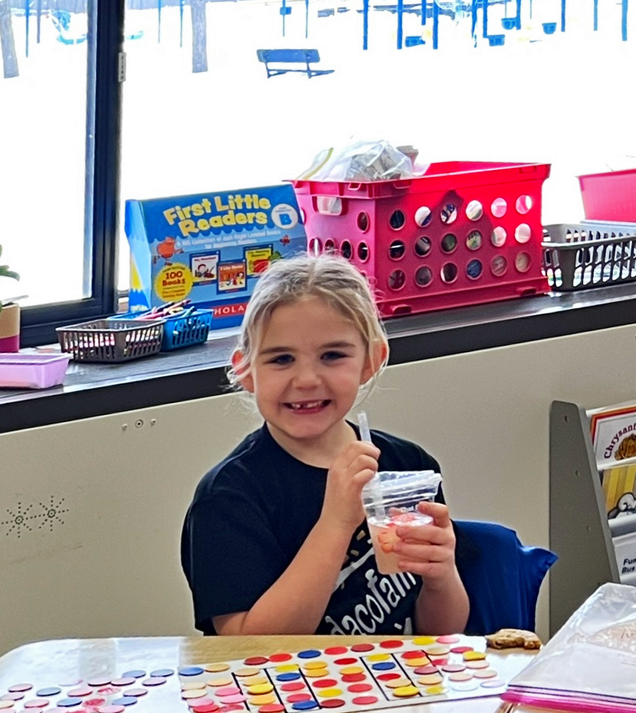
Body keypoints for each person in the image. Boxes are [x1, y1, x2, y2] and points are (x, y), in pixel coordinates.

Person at [180, 253, 470, 636]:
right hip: (281, 692)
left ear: (372, 360)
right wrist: (337, 521)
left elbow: (441, 636)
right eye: (281, 359)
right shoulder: (229, 498)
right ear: (245, 371)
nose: (306, 379)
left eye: (332, 355)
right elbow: (247, 650)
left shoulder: (407, 465)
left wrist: (441, 574)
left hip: (397, 689)